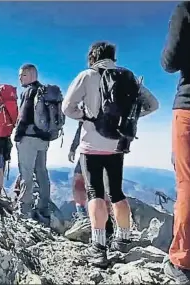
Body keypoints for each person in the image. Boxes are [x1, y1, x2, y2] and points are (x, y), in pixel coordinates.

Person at [62, 41, 158, 267]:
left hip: (90, 145)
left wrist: (85, 116)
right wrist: (129, 120)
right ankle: (123, 239)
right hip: (117, 144)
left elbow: (67, 108)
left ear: (92, 56)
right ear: (113, 57)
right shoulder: (128, 77)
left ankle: (99, 248)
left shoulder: (87, 75)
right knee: (116, 191)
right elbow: (153, 105)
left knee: (94, 191)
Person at [161, 2, 190, 282]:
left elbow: (170, 61)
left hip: (189, 107)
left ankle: (182, 261)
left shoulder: (186, 8)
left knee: (187, 183)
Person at [14, 64, 51, 219]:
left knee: (26, 174)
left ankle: (24, 209)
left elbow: (23, 116)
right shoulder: (45, 91)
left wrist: (18, 135)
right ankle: (44, 206)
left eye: (22, 75)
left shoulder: (29, 91)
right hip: (43, 139)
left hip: (28, 138)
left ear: (31, 75)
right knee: (41, 172)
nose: (19, 78)